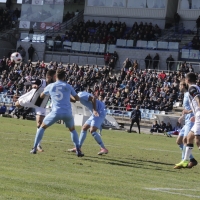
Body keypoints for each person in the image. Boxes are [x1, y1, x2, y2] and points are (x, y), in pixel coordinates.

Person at [30, 69, 84, 157]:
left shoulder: (51, 86)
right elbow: (77, 99)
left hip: (55, 112)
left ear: (55, 76)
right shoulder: (68, 86)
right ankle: (78, 150)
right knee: (72, 130)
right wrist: (68, 98)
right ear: (64, 77)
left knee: (42, 127)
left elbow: (41, 95)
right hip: (67, 112)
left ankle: (35, 148)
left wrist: (51, 94)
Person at [15, 70, 56, 152]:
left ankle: (37, 145)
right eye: (54, 76)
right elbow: (28, 83)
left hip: (41, 105)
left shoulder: (54, 86)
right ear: (49, 77)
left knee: (40, 124)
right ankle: (21, 110)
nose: (56, 78)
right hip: (30, 100)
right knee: (17, 104)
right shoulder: (41, 81)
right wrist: (33, 85)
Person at [175, 72, 200, 168]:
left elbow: (198, 99)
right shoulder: (196, 87)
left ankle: (186, 160)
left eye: (185, 79)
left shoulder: (192, 88)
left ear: (187, 80)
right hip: (196, 116)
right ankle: (185, 160)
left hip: (198, 115)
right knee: (188, 138)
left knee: (197, 141)